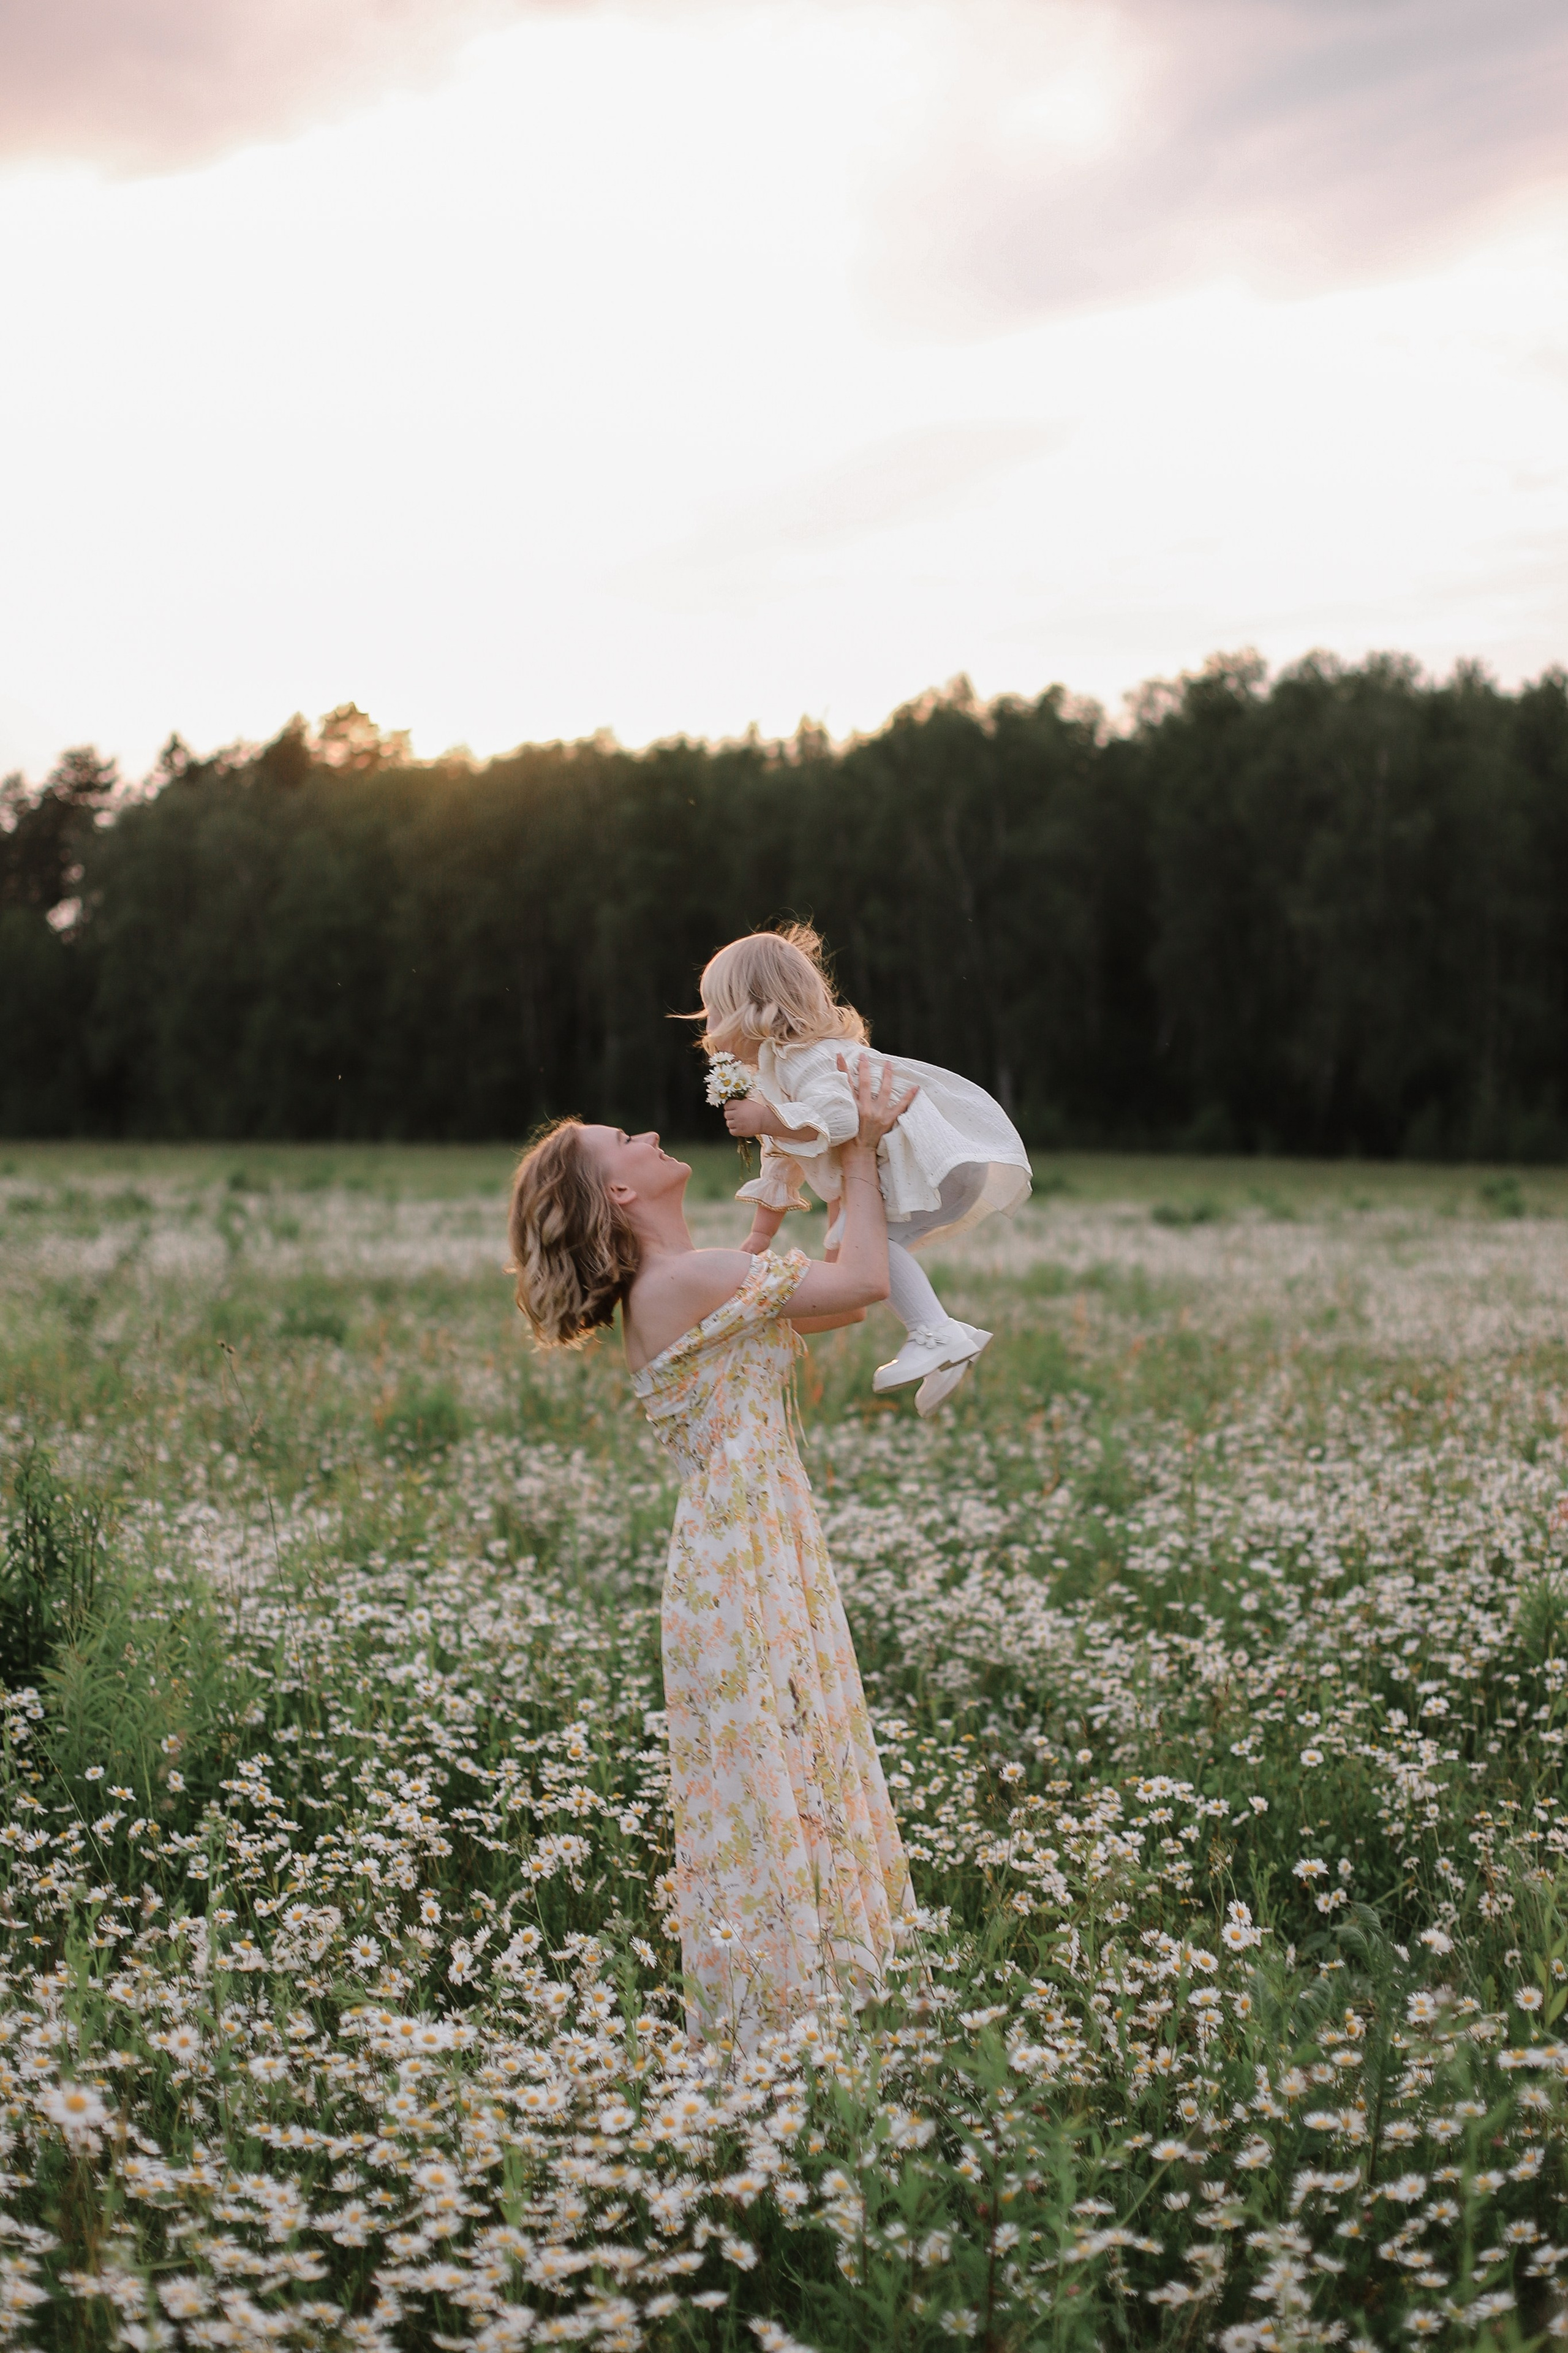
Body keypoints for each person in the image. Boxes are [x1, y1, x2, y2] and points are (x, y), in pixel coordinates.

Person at [507, 1056, 919, 2047]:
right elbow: (864, 1280)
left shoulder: (687, 1279)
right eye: (625, 1143)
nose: (647, 1137)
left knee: (777, 1767)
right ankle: (791, 2030)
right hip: (742, 1554)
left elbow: (841, 1303)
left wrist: (787, 1204)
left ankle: (810, 2016)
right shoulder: (688, 1280)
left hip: (743, 1547)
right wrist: (855, 1147)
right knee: (771, 1772)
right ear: (617, 1190)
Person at [693, 924, 1031, 1414]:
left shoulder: (804, 1060)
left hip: (927, 1163)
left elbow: (840, 1118)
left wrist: (767, 1118)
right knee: (854, 1249)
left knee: (864, 1245)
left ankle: (934, 1331)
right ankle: (945, 1338)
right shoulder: (778, 1067)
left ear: (757, 1008)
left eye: (716, 1013)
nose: (709, 1030)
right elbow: (785, 1155)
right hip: (927, 1164)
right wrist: (760, 1236)